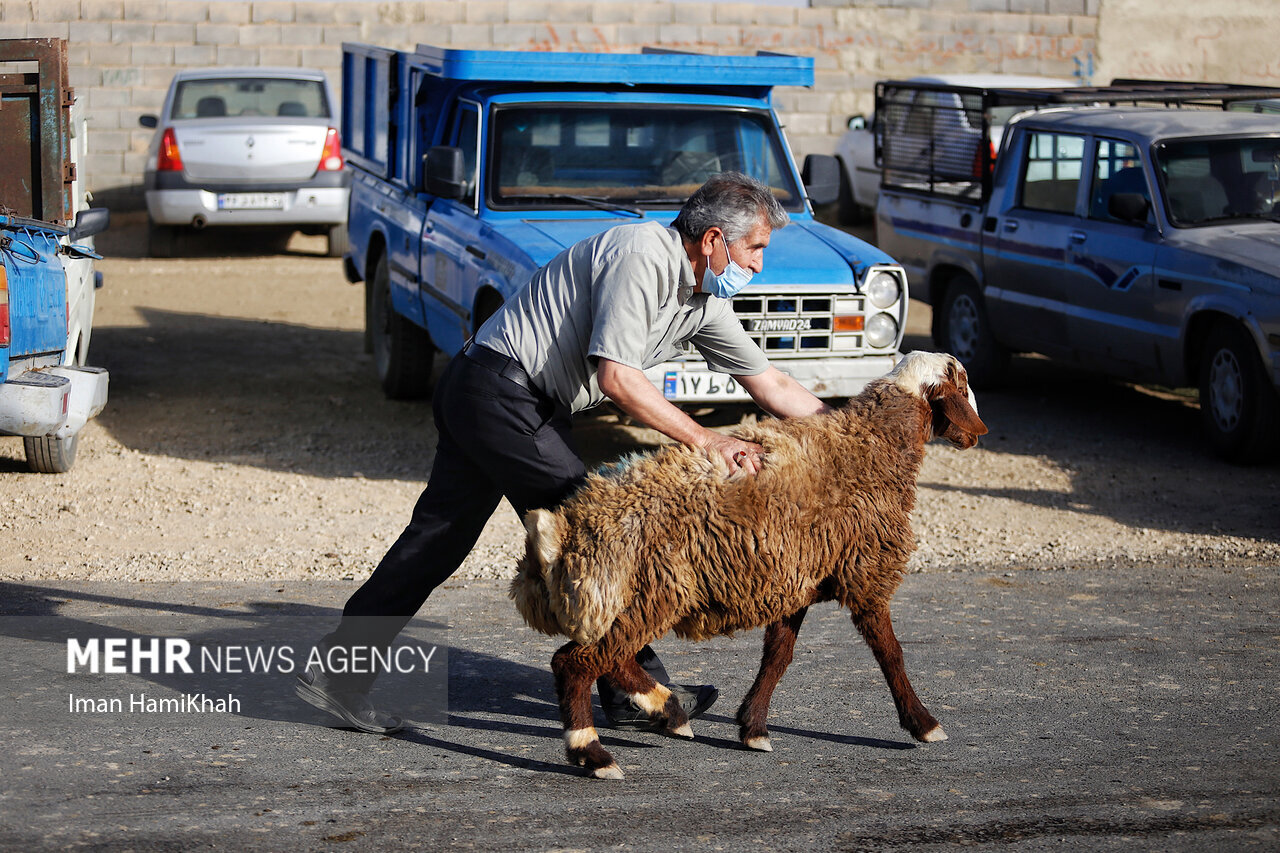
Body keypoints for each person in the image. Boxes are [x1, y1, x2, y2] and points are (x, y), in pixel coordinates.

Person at [296, 171, 829, 734]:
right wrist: (709, 439)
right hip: (500, 392)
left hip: (500, 394)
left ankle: (338, 673)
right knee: (596, 535)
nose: (759, 264)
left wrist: (856, 436)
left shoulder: (702, 302)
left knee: (437, 541)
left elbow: (771, 384)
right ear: (715, 240)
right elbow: (618, 378)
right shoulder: (642, 256)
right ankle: (634, 690)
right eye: (756, 248)